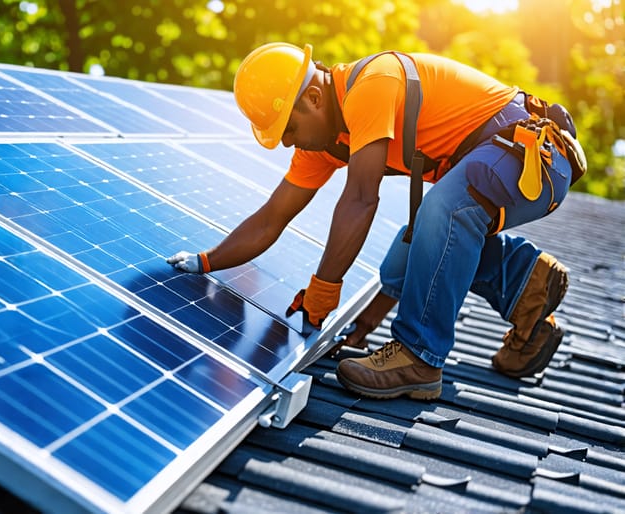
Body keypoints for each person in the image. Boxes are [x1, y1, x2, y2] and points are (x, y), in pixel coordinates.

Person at [166, 42, 585, 400]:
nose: (288, 141)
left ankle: (419, 357)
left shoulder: (370, 87)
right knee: (413, 244)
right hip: (495, 166)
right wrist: (206, 262)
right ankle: (526, 282)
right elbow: (271, 218)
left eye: (289, 127)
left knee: (443, 209)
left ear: (313, 97)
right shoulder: (323, 142)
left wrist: (323, 292)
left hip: (535, 155)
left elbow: (360, 200)